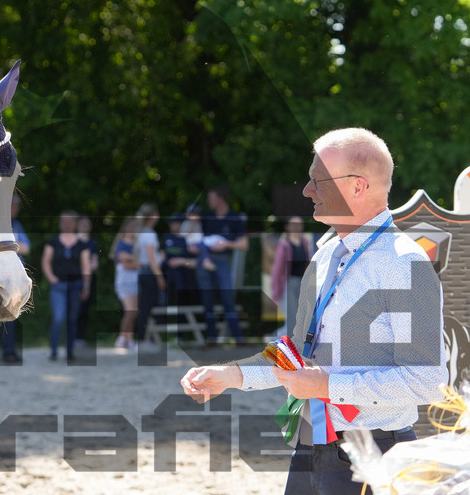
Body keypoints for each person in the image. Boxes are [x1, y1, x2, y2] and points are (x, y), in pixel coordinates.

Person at [181, 128, 447, 494]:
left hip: (376, 456)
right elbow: (296, 355)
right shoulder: (325, 255)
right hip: (310, 449)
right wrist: (231, 376)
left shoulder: (405, 263)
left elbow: (427, 380)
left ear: (356, 187)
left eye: (317, 181)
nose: (307, 191)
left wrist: (327, 385)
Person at [197, 186, 248, 345]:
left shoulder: (234, 218)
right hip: (205, 261)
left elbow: (243, 244)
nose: (208, 201)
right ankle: (211, 339)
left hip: (223, 261)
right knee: (207, 300)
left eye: (210, 197)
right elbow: (197, 240)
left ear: (220, 198)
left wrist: (226, 244)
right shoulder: (207, 217)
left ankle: (239, 338)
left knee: (227, 298)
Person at [41, 210, 92, 362]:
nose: (67, 224)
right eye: (64, 221)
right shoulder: (53, 242)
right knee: (58, 317)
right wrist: (52, 278)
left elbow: (86, 266)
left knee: (72, 319)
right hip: (59, 286)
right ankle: (54, 350)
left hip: (76, 285)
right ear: (60, 223)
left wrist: (86, 285)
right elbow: (46, 262)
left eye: (70, 221)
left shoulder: (82, 245)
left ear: (75, 223)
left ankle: (70, 351)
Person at [0, 194, 31, 363]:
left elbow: (26, 248)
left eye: (17, 206)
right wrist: (15, 246)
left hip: (15, 275)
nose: (15, 209)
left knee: (11, 313)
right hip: (2, 274)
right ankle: (7, 350)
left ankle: (9, 350)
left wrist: (13, 246)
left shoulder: (17, 225)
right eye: (12, 206)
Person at [271, 216, 311, 338]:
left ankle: (273, 339)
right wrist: (275, 290)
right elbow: (277, 269)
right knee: (292, 318)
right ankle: (279, 342)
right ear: (287, 227)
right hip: (288, 283)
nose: (296, 228)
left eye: (299, 225)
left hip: (301, 283)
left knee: (301, 318)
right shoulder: (284, 245)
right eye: (293, 225)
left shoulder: (304, 243)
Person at [131, 203, 165, 346]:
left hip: (142, 272)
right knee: (147, 307)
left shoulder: (140, 233)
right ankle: (143, 339)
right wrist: (160, 277)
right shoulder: (150, 234)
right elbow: (151, 259)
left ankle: (143, 337)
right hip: (149, 273)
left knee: (145, 306)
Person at [111, 216, 139, 350]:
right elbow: (125, 262)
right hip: (124, 281)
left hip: (135, 280)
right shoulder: (121, 243)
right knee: (130, 311)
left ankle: (129, 338)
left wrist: (133, 261)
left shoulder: (136, 243)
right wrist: (136, 261)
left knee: (133, 311)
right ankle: (122, 338)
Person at [74, 214, 100, 351]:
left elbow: (95, 263)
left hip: (88, 278)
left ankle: (80, 337)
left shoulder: (92, 244)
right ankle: (72, 336)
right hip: (74, 278)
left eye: (87, 224)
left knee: (84, 309)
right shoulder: (73, 241)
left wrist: (87, 265)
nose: (85, 226)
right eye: (83, 224)